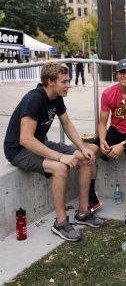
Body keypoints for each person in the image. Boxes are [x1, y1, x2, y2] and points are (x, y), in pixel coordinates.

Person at [3, 63, 105, 242]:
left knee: (86, 157)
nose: (68, 85)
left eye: (69, 81)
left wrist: (82, 147)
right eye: (64, 81)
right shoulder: (34, 99)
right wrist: (60, 156)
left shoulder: (57, 97)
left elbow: (66, 123)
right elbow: (25, 139)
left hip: (40, 144)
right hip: (19, 151)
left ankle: (82, 212)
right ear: (50, 82)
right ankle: (60, 222)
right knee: (61, 168)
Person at [87, 59, 126, 226]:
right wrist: (102, 140)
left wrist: (122, 145)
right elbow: (102, 122)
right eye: (122, 72)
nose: (125, 75)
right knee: (88, 153)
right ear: (116, 74)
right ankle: (91, 197)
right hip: (114, 133)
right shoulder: (108, 93)